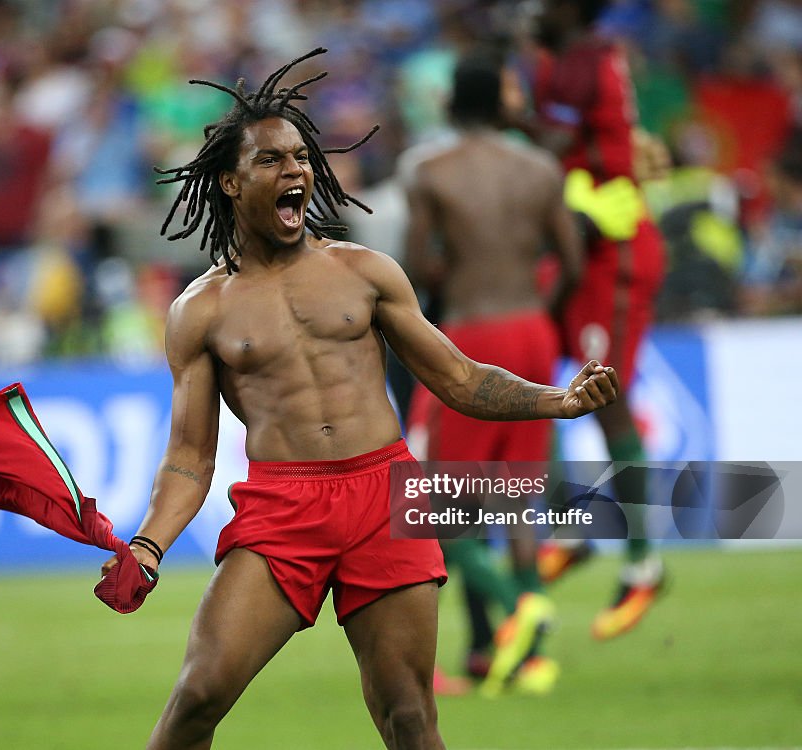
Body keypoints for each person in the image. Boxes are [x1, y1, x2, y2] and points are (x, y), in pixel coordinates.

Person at [99, 49, 620, 749]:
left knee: (408, 715)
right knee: (198, 694)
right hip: (284, 509)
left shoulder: (366, 273)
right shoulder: (200, 310)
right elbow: (190, 457)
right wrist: (149, 546)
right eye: (271, 161)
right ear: (228, 182)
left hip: (383, 497)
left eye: (299, 157)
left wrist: (556, 401)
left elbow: (459, 378)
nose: (295, 171)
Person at [402, 56, 584, 697]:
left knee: (441, 505)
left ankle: (515, 604)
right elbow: (571, 259)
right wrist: (540, 309)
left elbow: (416, 265)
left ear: (452, 107)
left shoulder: (431, 173)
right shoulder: (540, 169)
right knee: (517, 496)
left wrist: (455, 280)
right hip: (534, 328)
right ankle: (527, 658)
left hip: (471, 333)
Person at [509, 0, 667, 639]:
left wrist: (493, 122)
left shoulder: (586, 63)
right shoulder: (561, 61)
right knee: (526, 372)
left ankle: (644, 564)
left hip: (612, 243)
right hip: (573, 241)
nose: (530, 13)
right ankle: (573, 525)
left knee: (607, 398)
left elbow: (547, 142)